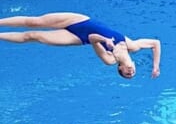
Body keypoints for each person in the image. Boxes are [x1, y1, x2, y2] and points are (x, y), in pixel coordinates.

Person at [0, 12, 161, 79]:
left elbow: (91, 38)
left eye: (126, 74)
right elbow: (155, 43)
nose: (130, 72)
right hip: (80, 21)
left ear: (120, 69)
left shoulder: (110, 59)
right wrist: (155, 66)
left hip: (78, 37)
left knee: (33, 36)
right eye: (131, 73)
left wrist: (105, 41)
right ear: (133, 65)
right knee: (35, 22)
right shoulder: (132, 45)